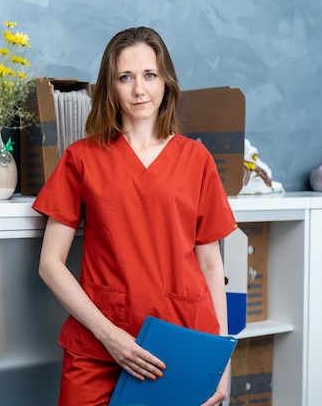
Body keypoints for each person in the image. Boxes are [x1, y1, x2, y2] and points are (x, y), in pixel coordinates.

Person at [32, 26, 237, 406]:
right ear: (110, 87)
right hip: (97, 349)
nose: (139, 90)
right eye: (125, 78)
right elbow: (50, 264)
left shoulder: (197, 159)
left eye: (149, 75)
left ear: (166, 82)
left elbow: (211, 265)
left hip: (177, 350)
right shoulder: (82, 158)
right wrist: (111, 337)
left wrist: (219, 362)